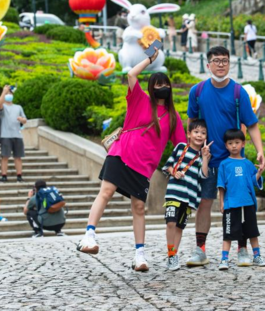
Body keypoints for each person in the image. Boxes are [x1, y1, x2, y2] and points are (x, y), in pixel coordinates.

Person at [76, 48, 186, 272]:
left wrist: (180, 166)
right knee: (106, 192)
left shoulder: (173, 117)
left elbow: (181, 146)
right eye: (156, 85)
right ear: (150, 88)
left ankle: (139, 255)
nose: (160, 88)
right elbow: (131, 75)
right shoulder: (140, 100)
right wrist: (149, 59)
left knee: (138, 207)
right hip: (121, 153)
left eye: (164, 85)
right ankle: (88, 236)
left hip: (144, 167)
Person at [186, 46, 265, 268]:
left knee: (239, 204)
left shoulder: (238, 92)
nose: (221, 64)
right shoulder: (198, 91)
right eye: (216, 60)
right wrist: (192, 150)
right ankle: (200, 250)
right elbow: (192, 123)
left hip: (234, 161)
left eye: (225, 60)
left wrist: (260, 150)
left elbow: (252, 124)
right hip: (207, 160)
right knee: (204, 203)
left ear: (229, 63)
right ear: (208, 64)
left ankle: (242, 250)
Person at [161, 119, 212, 271]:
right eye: (196, 132)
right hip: (173, 193)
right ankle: (171, 255)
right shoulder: (181, 147)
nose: (199, 135)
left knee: (179, 227)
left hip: (189, 197)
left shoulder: (202, 155)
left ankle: (174, 254)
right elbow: (167, 166)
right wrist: (173, 172)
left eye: (203, 133)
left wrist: (205, 158)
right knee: (170, 222)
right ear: (189, 134)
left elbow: (203, 175)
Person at [217, 129, 265, 270]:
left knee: (252, 232)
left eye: (237, 142)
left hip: (248, 203)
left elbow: (253, 181)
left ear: (243, 144)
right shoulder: (224, 164)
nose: (234, 145)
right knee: (228, 234)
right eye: (230, 143)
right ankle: (224, 259)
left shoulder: (248, 164)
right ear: (226, 145)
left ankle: (257, 256)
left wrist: (259, 172)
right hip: (231, 204)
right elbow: (221, 186)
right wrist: (221, 203)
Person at [0, 85, 28, 183]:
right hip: (5, 135)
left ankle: (19, 175)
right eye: (7, 94)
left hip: (17, 135)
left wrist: (21, 119)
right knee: (5, 156)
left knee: (18, 157)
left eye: (10, 94)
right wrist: (3, 91)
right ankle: (4, 176)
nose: (8, 95)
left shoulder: (18, 107)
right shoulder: (3, 107)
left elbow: (25, 120)